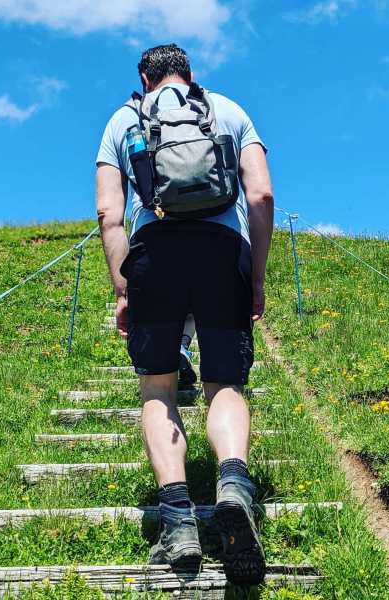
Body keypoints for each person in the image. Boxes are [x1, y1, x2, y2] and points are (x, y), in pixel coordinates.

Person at [96, 43, 273, 585]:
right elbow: (261, 196)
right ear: (190, 73)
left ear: (143, 78)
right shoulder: (228, 110)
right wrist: (256, 277)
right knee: (224, 385)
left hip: (155, 255)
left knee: (159, 389)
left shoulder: (123, 120)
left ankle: (178, 519)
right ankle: (233, 485)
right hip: (223, 253)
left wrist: (124, 289)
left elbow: (108, 212)